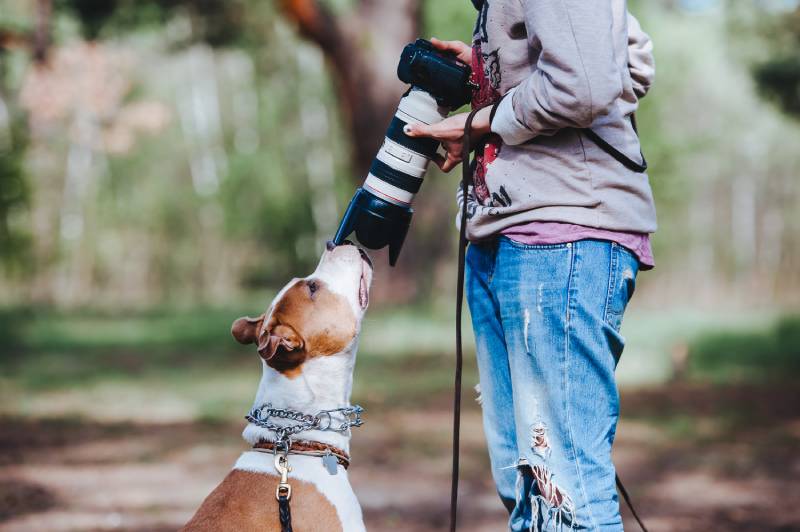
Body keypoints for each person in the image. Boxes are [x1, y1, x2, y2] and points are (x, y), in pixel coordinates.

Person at [406, 1, 657, 530]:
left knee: (565, 498)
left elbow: (586, 84)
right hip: (504, 232)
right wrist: (487, 74)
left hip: (562, 236)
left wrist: (485, 121)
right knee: (529, 495)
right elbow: (623, 58)